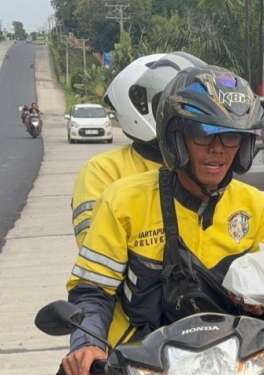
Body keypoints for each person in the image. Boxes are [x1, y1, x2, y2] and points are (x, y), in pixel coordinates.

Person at [58, 65, 264, 375]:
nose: (218, 151)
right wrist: (86, 343)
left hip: (225, 364)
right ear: (176, 137)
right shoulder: (124, 201)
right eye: (204, 135)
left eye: (230, 137)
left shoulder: (254, 208)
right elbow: (93, 291)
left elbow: (260, 311)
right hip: (140, 363)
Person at [69, 52, 203, 246]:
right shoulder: (104, 170)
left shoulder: (204, 164)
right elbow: (95, 247)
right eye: (178, 107)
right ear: (142, 105)